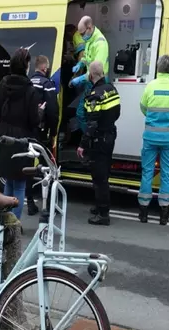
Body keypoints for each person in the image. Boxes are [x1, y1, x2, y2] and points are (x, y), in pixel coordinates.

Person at [0, 48, 41, 221]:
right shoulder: (30, 90)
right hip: (21, 138)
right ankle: (13, 226)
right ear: (25, 66)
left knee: (9, 181)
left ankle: (6, 222)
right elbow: (34, 120)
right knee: (19, 183)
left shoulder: (3, 83)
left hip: (3, 135)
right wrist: (40, 112)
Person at [138, 54, 169, 225]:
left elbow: (143, 108)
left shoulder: (150, 86)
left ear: (158, 68)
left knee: (147, 173)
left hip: (150, 137)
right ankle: (164, 214)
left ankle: (143, 212)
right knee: (166, 174)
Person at [77, 61, 120, 226]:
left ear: (90, 75)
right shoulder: (112, 89)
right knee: (105, 173)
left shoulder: (94, 95)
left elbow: (91, 123)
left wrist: (82, 144)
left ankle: (103, 213)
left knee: (99, 177)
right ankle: (99, 205)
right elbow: (117, 114)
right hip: (110, 135)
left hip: (99, 139)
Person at [28, 55, 59, 216]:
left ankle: (30, 203)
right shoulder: (47, 84)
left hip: (27, 131)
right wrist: (54, 132)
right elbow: (53, 111)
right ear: (45, 68)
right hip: (42, 132)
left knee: (27, 165)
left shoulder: (27, 83)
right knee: (48, 167)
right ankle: (48, 206)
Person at [69, 16, 110, 134]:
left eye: (82, 33)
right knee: (85, 114)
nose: (81, 37)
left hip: (99, 83)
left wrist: (79, 79)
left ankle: (90, 138)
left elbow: (96, 71)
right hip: (91, 82)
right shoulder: (89, 40)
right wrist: (80, 64)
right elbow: (87, 58)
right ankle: (89, 139)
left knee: (87, 115)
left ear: (89, 28)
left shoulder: (100, 43)